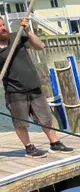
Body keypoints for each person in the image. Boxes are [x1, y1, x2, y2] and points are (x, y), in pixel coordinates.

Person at [0, 16, 72, 158]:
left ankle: (55, 143)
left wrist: (28, 31)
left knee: (45, 117)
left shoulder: (17, 36)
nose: (3, 28)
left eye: (3, 25)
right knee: (20, 122)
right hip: (14, 90)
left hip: (34, 86)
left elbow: (40, 46)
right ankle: (29, 148)